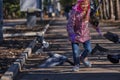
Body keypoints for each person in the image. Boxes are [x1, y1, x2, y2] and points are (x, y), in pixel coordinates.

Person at [66, 0, 101, 72]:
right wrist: (72, 33)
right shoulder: (74, 12)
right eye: (82, 4)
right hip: (75, 35)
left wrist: (97, 27)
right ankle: (76, 65)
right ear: (79, 4)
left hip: (85, 34)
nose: (84, 6)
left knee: (89, 49)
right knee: (76, 52)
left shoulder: (89, 11)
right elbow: (69, 24)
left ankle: (82, 58)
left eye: (86, 4)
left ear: (88, 4)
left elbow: (93, 21)